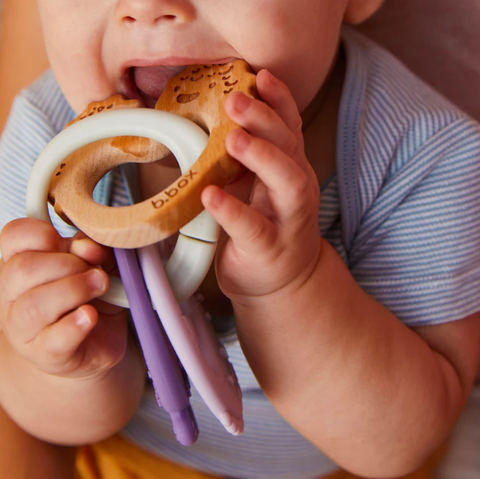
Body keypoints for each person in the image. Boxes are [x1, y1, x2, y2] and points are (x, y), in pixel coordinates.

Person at [0, 1, 479, 478]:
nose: (145, 8)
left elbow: (399, 445)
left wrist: (294, 284)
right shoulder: (48, 158)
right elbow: (50, 420)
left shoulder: (423, 159)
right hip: (130, 460)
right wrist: (74, 364)